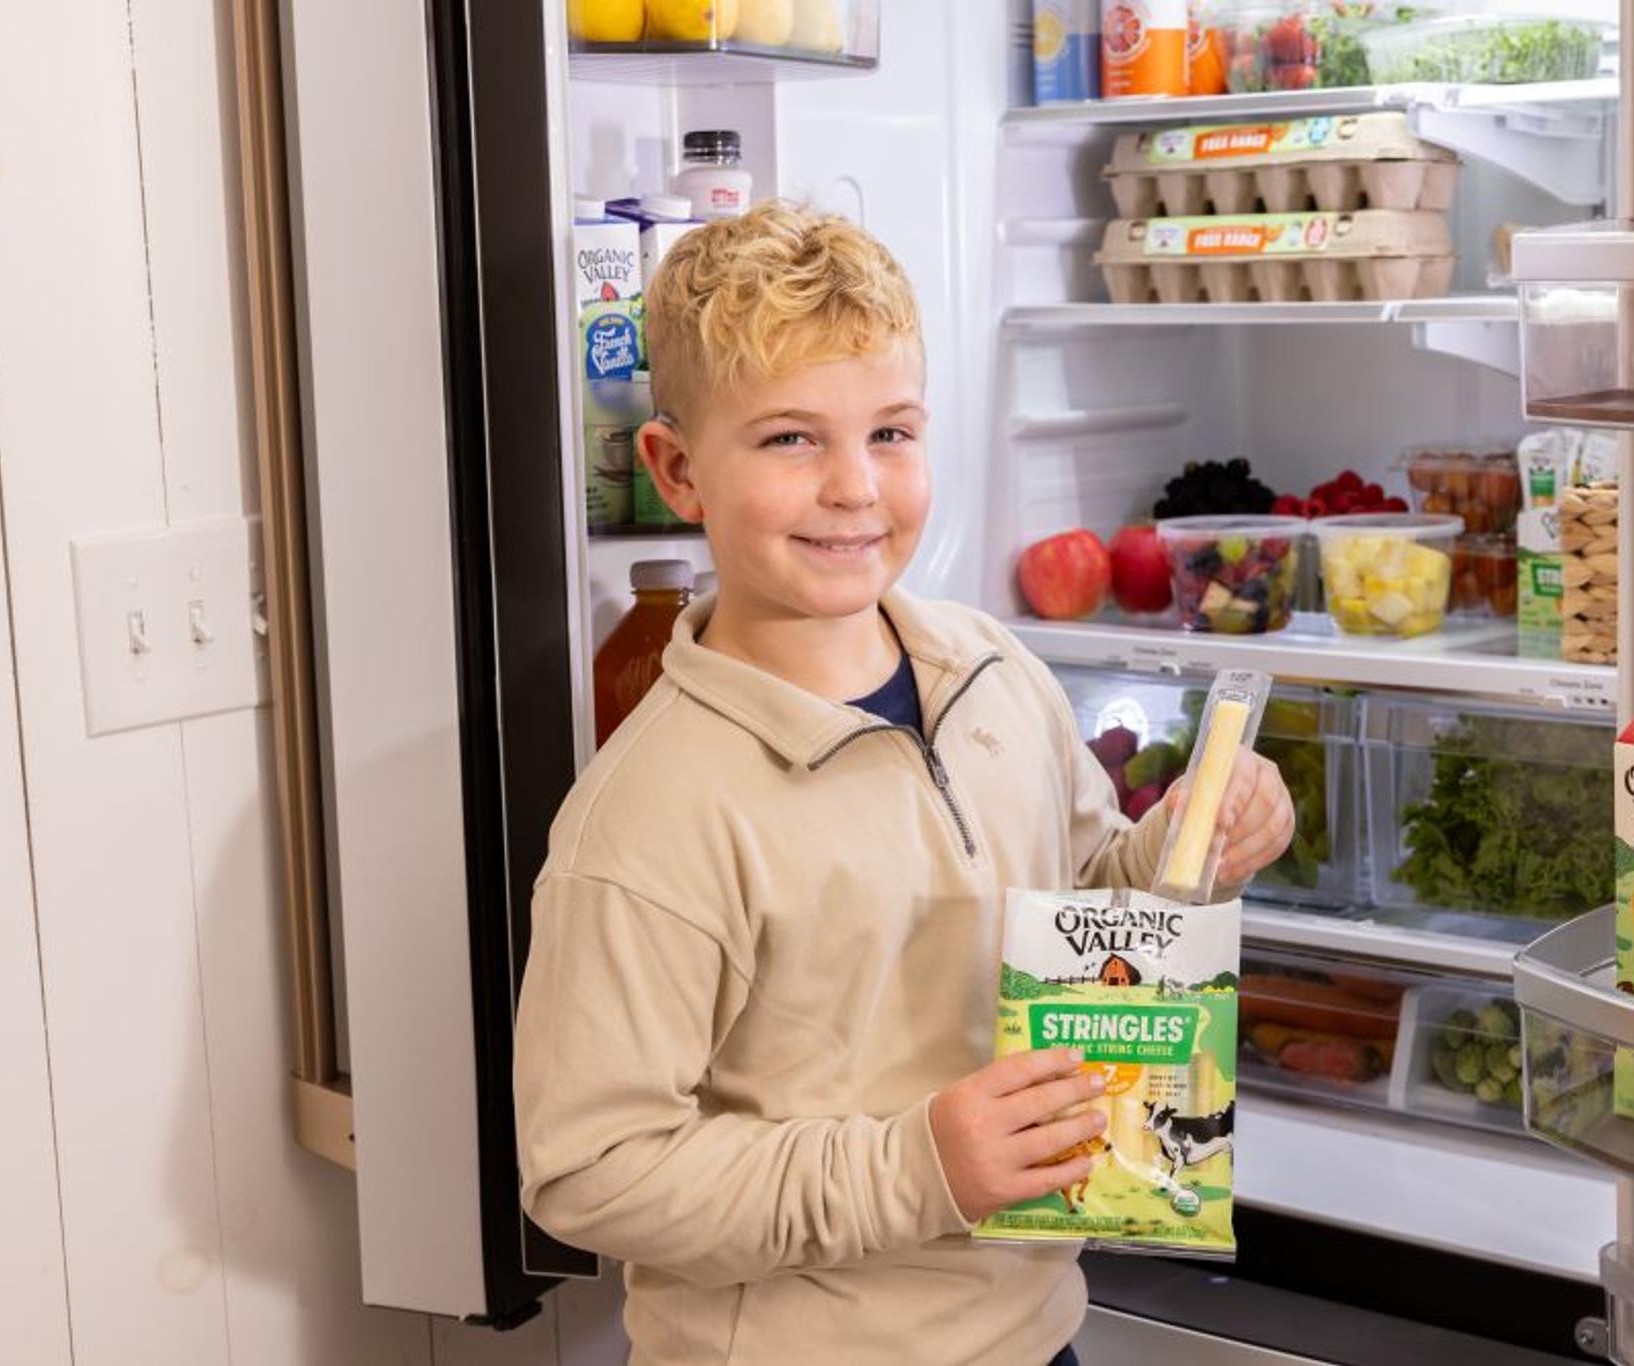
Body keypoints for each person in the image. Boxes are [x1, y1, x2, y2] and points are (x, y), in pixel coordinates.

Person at [514, 201, 1295, 1366]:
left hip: (1031, 1335)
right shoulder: (652, 815)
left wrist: (1190, 847)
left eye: (890, 432)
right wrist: (913, 1166)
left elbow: (1090, 895)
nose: (853, 487)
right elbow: (589, 1171)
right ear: (677, 471)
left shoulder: (989, 669)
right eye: (789, 439)